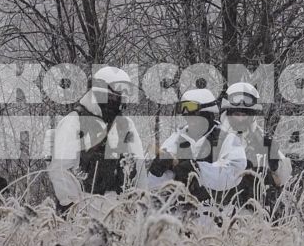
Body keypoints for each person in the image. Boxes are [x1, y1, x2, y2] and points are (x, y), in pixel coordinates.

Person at [49, 65, 146, 210]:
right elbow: (61, 169)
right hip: (83, 208)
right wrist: (74, 207)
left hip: (119, 210)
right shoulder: (74, 122)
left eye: (122, 98)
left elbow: (139, 167)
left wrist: (141, 203)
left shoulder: (126, 124)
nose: (119, 103)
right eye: (115, 97)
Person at [146, 88, 248, 204]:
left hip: (216, 214)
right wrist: (157, 172)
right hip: (182, 214)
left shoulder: (227, 139)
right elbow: (155, 188)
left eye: (195, 117)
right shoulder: (176, 139)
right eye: (187, 117)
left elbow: (234, 172)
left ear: (208, 115)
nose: (191, 121)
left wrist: (198, 169)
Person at [223, 80, 292, 209]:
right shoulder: (216, 135)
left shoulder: (260, 137)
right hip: (221, 207)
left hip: (255, 210)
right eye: (236, 114)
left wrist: (275, 164)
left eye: (245, 114)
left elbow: (283, 178)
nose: (240, 119)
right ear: (229, 113)